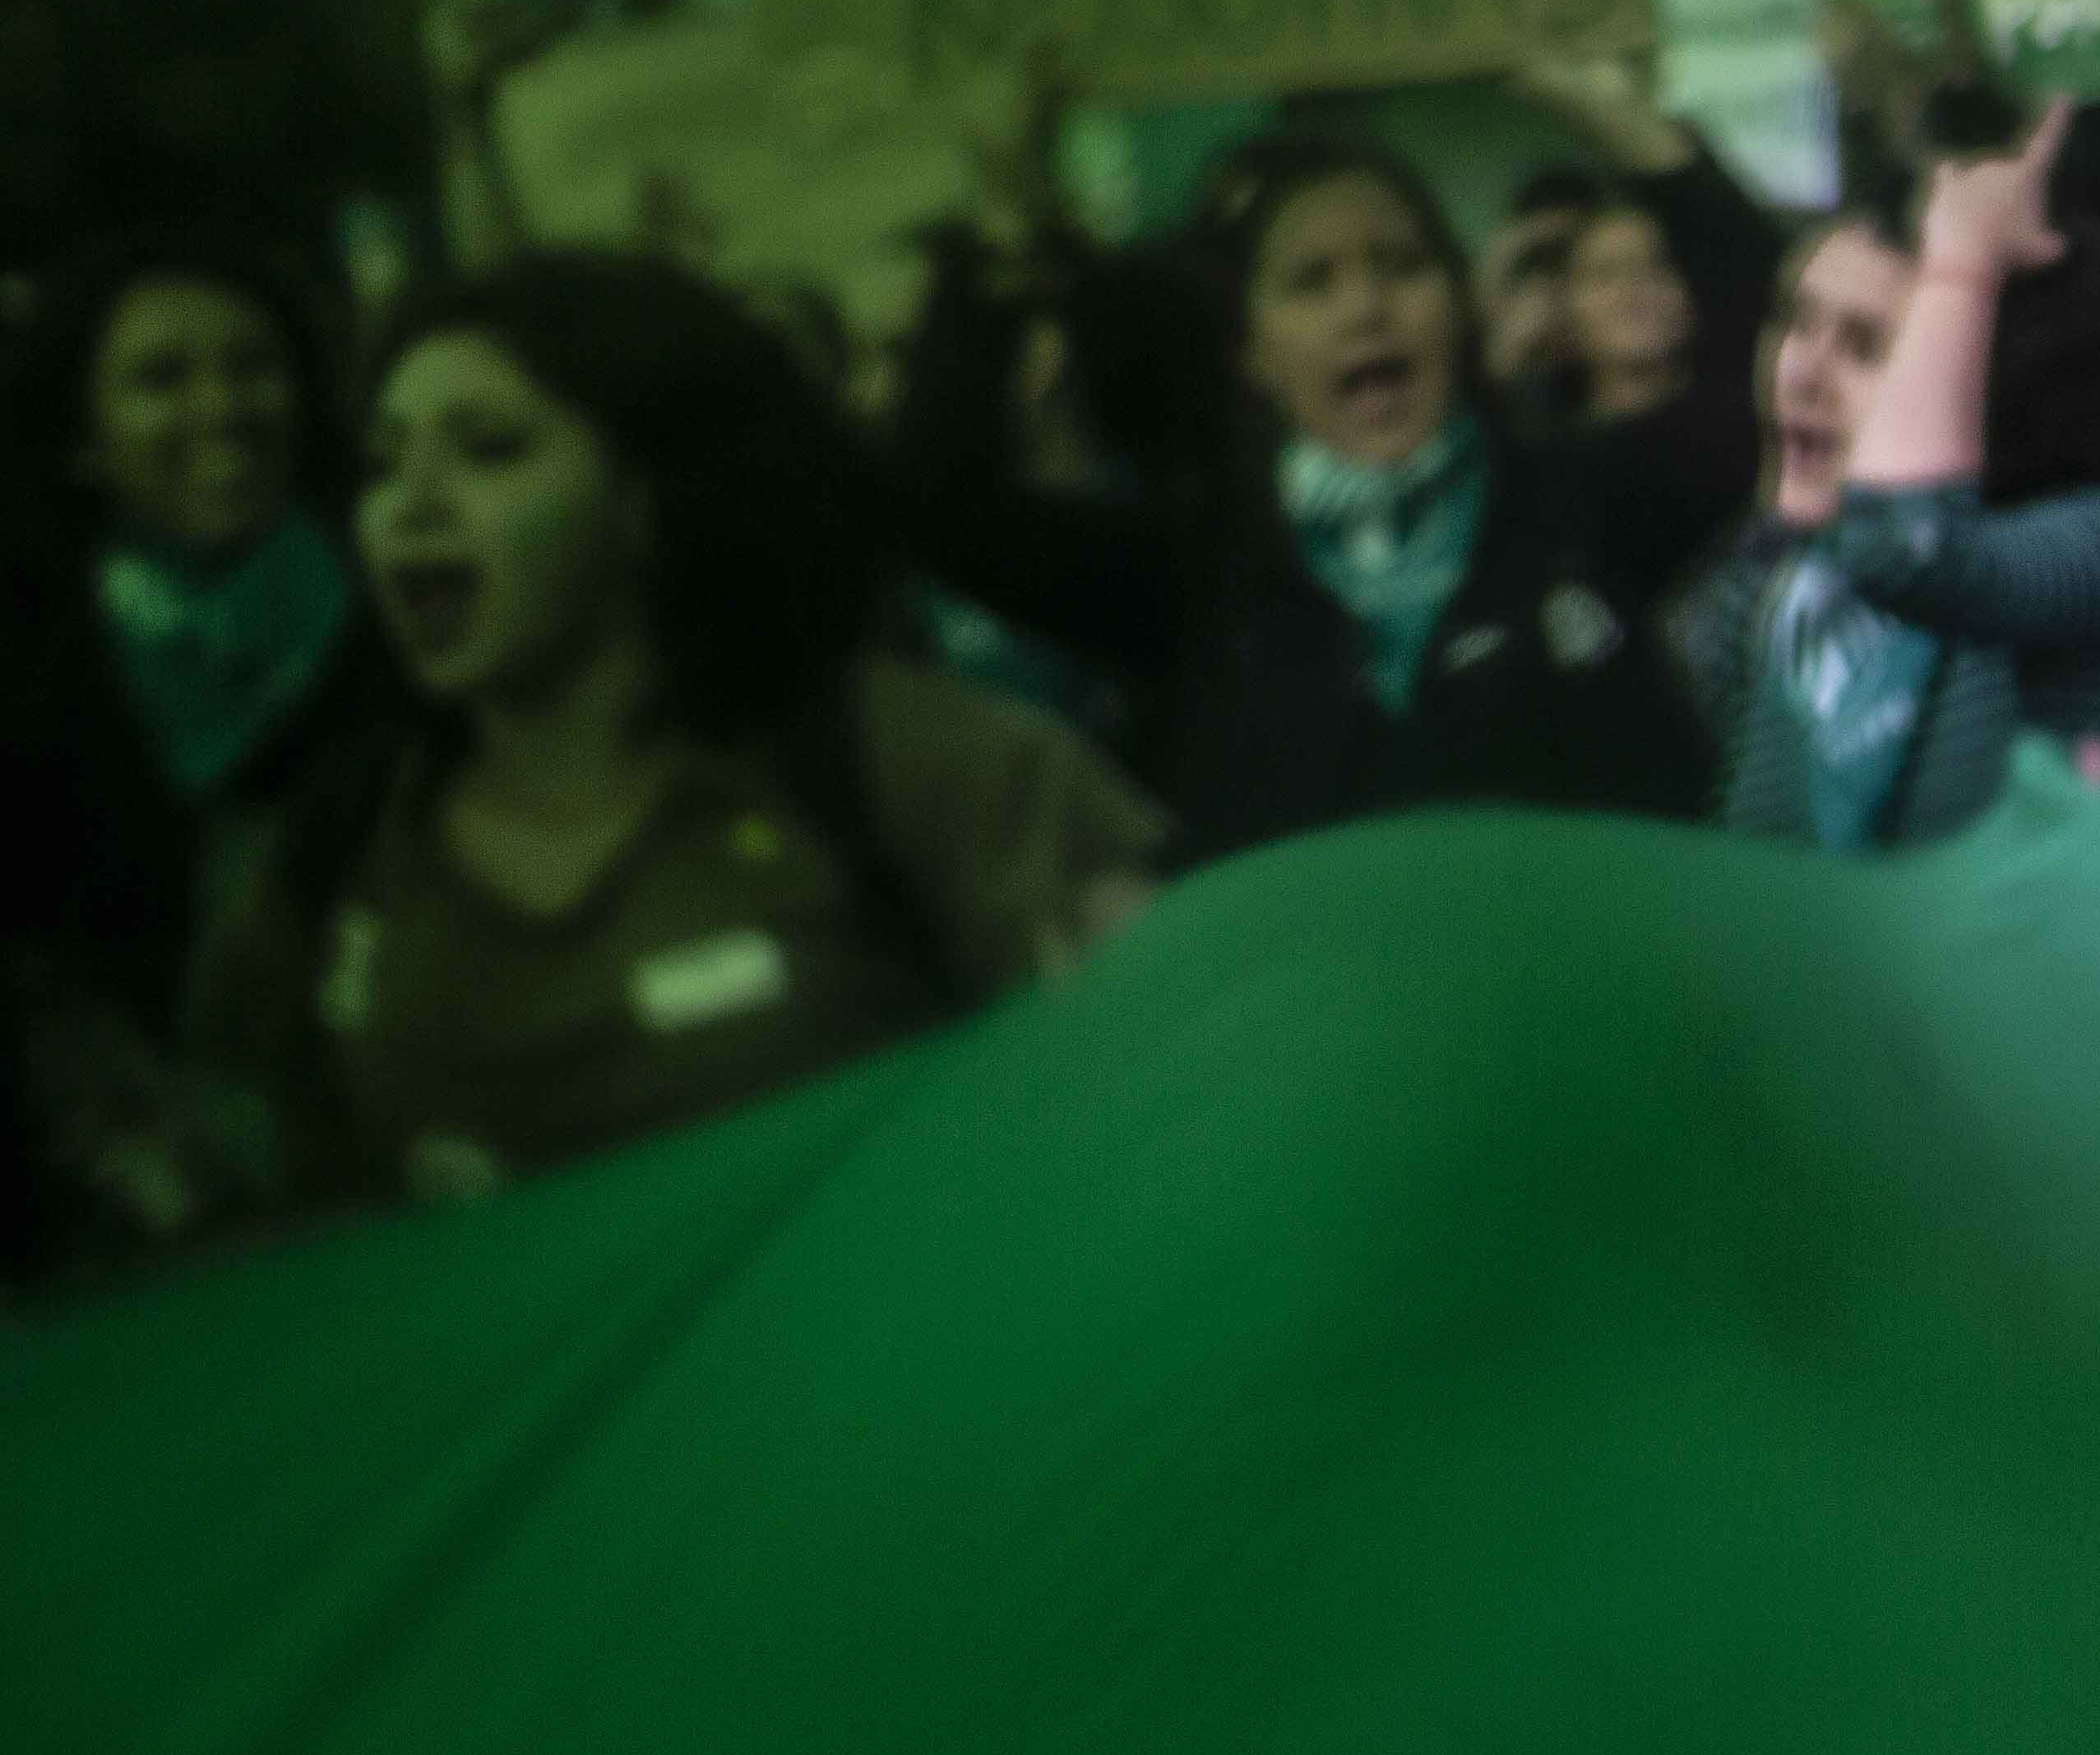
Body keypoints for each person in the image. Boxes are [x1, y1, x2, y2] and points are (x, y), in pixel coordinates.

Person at [180, 252, 1160, 1220]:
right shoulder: (343, 843)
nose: (411, 503)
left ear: (647, 498)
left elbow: (1159, 1089)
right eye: (383, 464)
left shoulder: (909, 765)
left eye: (489, 450)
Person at [897, 132, 1723, 866]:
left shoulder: (1587, 499)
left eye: (1401, 266)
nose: (1365, 308)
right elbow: (939, 509)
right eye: (1311, 282)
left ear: (1460, 307)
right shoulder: (1197, 565)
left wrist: (1633, 130)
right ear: (1254, 352)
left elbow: (1752, 365)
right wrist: (985, 261)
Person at [0, 231, 401, 1257]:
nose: (222, 407)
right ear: (83, 436)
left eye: (252, 365)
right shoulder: (34, 665)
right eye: (161, 378)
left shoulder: (408, 609)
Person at [1681, 118, 2100, 850]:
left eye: (1869, 345)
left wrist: (1963, 263)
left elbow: (1908, 548)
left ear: (1989, 371)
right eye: (1795, 321)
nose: (1800, 374)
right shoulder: (1786, 589)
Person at [1474, 53, 1787, 531]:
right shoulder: (1538, 447)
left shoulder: (1741, 415)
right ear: (1566, 308)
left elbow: (1744, 256)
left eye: (1656, 268)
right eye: (1605, 274)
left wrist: (1622, 116)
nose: (1633, 290)